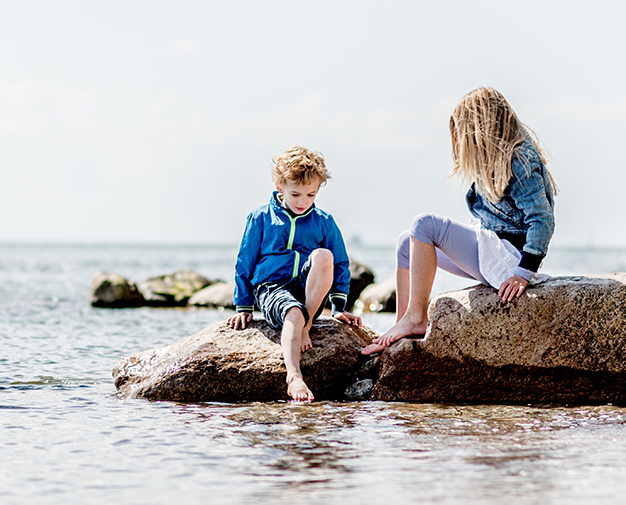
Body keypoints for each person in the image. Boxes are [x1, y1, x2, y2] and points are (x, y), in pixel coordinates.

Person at [362, 87, 557, 356]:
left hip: (508, 258)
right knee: (406, 242)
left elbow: (542, 220)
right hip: (493, 249)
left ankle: (417, 317)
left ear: (482, 128)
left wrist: (524, 273)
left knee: (425, 224)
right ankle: (403, 323)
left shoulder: (520, 159)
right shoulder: (499, 160)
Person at [228, 146, 362, 402]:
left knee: (324, 256)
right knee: (293, 311)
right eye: (296, 194)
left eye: (311, 194)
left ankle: (306, 324)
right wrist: (243, 306)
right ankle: (294, 376)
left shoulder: (323, 221)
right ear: (280, 185)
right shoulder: (260, 218)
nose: (303, 202)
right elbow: (244, 262)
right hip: (271, 287)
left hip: (306, 287)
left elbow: (341, 264)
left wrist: (338, 307)